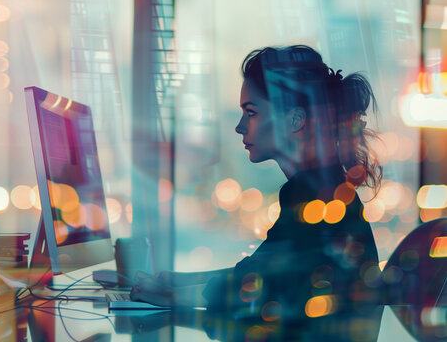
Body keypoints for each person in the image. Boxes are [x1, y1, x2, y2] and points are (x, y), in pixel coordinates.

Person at [131, 45, 382, 317]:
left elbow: (256, 287)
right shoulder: (321, 184)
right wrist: (181, 281)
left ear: (296, 119)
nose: (240, 126)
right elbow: (260, 270)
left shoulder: (313, 195)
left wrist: (170, 295)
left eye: (251, 113)